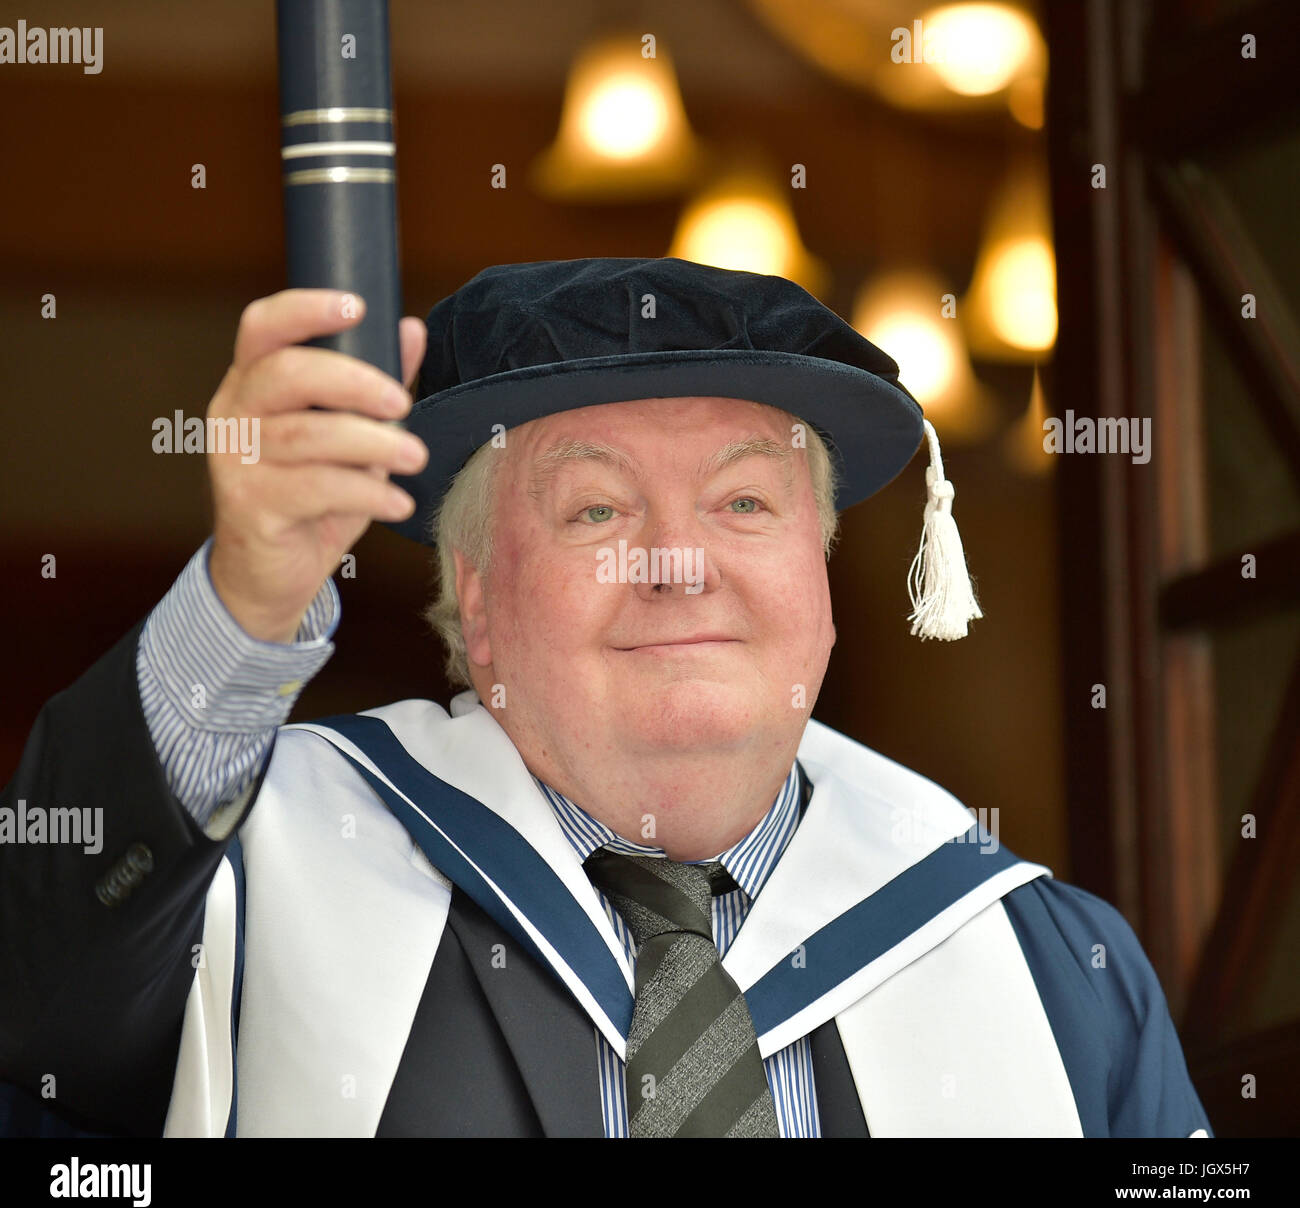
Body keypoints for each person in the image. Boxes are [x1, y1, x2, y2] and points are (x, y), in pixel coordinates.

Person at [0, 257, 1212, 1138]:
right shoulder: (254, 874)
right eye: (597, 511)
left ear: (821, 575)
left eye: (745, 503)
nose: (679, 562)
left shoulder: (1047, 963)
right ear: (473, 593)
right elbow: (45, 980)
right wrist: (246, 598)